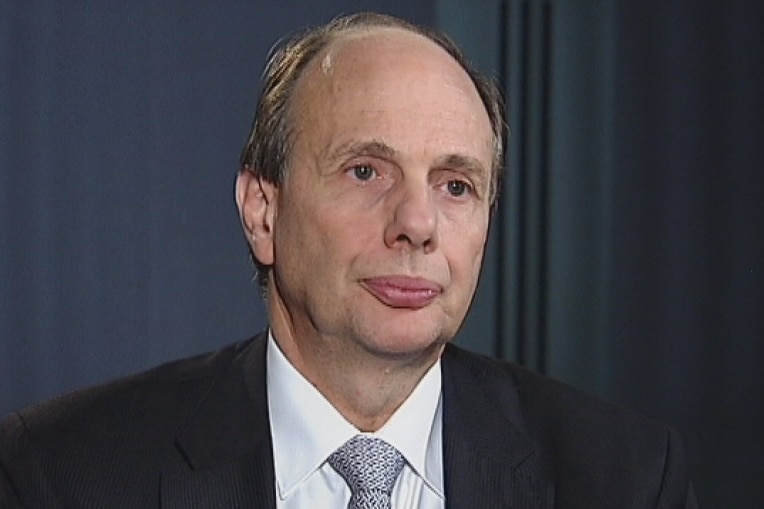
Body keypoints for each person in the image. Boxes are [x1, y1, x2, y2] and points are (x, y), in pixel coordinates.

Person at [0, 12, 697, 508]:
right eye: (367, 171)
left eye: (456, 185)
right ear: (262, 211)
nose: (418, 224)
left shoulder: (628, 478)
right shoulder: (60, 473)